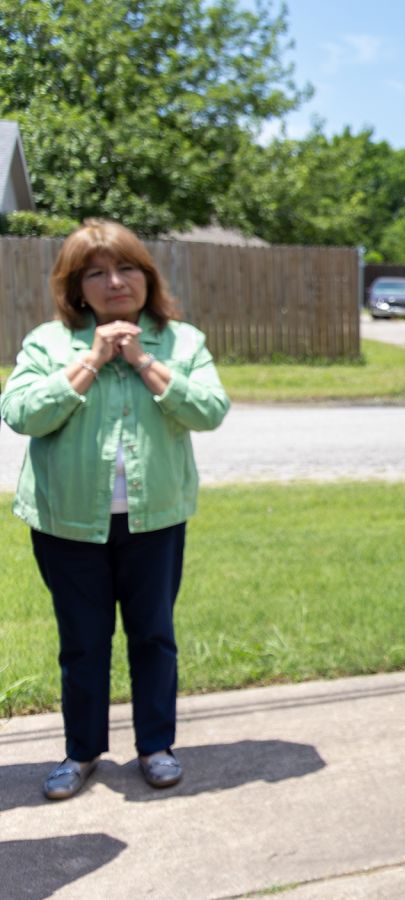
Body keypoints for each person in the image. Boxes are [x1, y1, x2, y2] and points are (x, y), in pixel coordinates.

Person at [1, 218, 231, 801]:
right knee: (82, 640)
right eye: (96, 273)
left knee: (153, 635)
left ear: (146, 277)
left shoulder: (182, 341)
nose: (114, 282)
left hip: (155, 520)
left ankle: (155, 746)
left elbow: (209, 410)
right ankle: (82, 754)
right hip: (67, 522)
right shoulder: (48, 343)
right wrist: (94, 360)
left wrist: (144, 364)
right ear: (76, 288)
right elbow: (23, 412)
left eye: (127, 267)